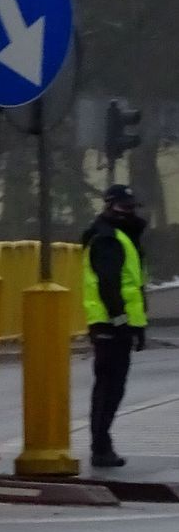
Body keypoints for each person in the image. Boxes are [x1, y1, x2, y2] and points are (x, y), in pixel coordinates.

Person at [82, 184, 148, 468]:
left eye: (131, 206)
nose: (129, 212)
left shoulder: (121, 236)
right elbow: (109, 284)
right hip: (110, 324)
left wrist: (137, 326)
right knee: (109, 387)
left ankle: (102, 443)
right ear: (109, 206)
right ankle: (100, 446)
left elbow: (132, 285)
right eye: (123, 207)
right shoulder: (107, 239)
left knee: (113, 386)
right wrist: (121, 320)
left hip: (118, 324)